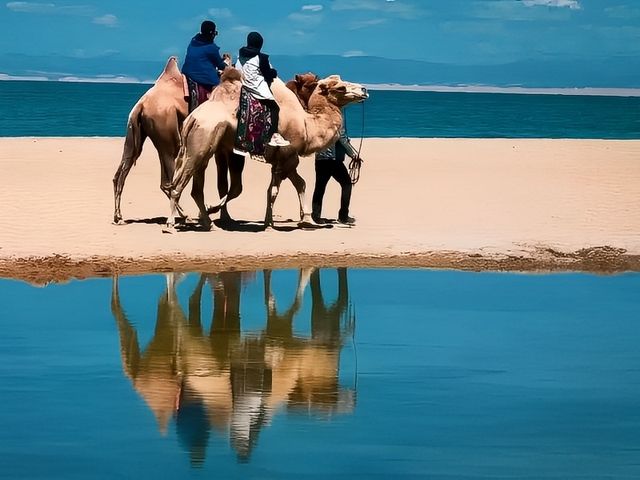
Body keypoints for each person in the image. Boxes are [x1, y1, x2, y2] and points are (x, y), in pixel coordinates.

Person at [234, 31, 289, 158]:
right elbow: (268, 74)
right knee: (275, 108)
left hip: (244, 89)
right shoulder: (261, 58)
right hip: (257, 89)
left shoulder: (240, 56)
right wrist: (274, 72)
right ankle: (273, 136)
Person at [311, 125, 361, 225]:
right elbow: (342, 138)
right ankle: (343, 216)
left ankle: (316, 216)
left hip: (320, 158)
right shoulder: (337, 119)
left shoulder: (319, 119)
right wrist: (353, 154)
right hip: (334, 160)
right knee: (346, 184)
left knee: (319, 188)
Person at [182, 20, 228, 112]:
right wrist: (229, 67)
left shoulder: (193, 41)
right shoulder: (211, 48)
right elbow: (220, 65)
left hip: (187, 73)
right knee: (219, 90)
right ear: (212, 34)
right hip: (201, 76)